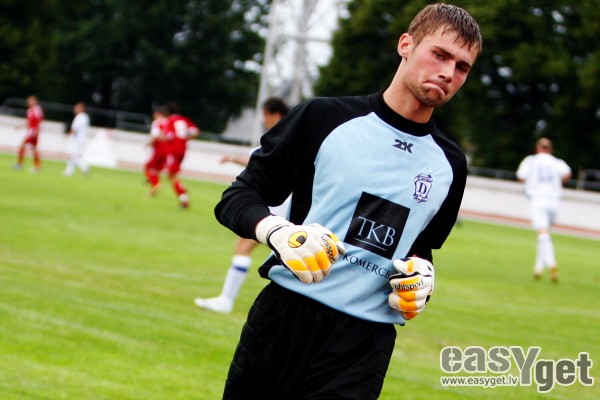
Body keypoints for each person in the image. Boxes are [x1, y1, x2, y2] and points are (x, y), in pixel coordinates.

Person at [213, 3, 482, 399]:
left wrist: (423, 278)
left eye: (462, 67)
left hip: (364, 343)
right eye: (439, 54)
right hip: (284, 320)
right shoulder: (324, 118)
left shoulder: (451, 164)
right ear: (406, 45)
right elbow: (238, 197)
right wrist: (278, 233)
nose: (448, 72)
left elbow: (420, 247)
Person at [195, 97, 290, 313]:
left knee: (244, 248)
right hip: (288, 207)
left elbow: (258, 161)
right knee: (286, 254)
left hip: (275, 207)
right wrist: (232, 158)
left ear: (274, 114)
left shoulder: (281, 135)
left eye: (265, 115)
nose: (263, 120)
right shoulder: (297, 134)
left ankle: (226, 300)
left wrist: (231, 158)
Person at [516, 137, 571, 282]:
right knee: (546, 234)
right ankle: (539, 267)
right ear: (550, 149)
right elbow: (567, 174)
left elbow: (521, 176)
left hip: (538, 198)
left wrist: (532, 180)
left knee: (542, 234)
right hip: (554, 200)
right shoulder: (557, 162)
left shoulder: (531, 160)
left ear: (538, 148)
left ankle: (552, 263)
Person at [162, 102, 201, 208]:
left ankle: (183, 197)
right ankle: (182, 190)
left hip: (173, 150)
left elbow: (168, 136)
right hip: (183, 150)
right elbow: (196, 132)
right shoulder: (184, 119)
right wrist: (185, 139)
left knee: (171, 175)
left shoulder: (169, 121)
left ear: (167, 112)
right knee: (173, 175)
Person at [14, 95, 44, 172]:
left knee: (24, 146)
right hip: (30, 131)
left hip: (33, 132)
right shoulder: (30, 110)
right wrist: (20, 126)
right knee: (32, 148)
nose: (29, 102)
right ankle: (36, 166)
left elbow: (39, 120)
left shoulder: (37, 109)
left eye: (30, 100)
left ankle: (20, 164)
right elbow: (29, 121)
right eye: (28, 101)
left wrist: (36, 130)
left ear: (35, 101)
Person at [144, 106, 169, 195]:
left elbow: (155, 135)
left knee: (148, 167)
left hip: (158, 149)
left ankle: (155, 184)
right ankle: (154, 182)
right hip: (168, 149)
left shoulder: (157, 122)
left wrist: (149, 143)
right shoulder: (168, 121)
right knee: (157, 169)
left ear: (157, 114)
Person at [64, 102, 91, 176]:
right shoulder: (85, 117)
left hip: (78, 140)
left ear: (82, 109)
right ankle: (69, 171)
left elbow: (75, 129)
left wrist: (67, 135)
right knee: (73, 155)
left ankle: (85, 168)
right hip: (81, 139)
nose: (75, 109)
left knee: (74, 156)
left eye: (77, 108)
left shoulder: (79, 117)